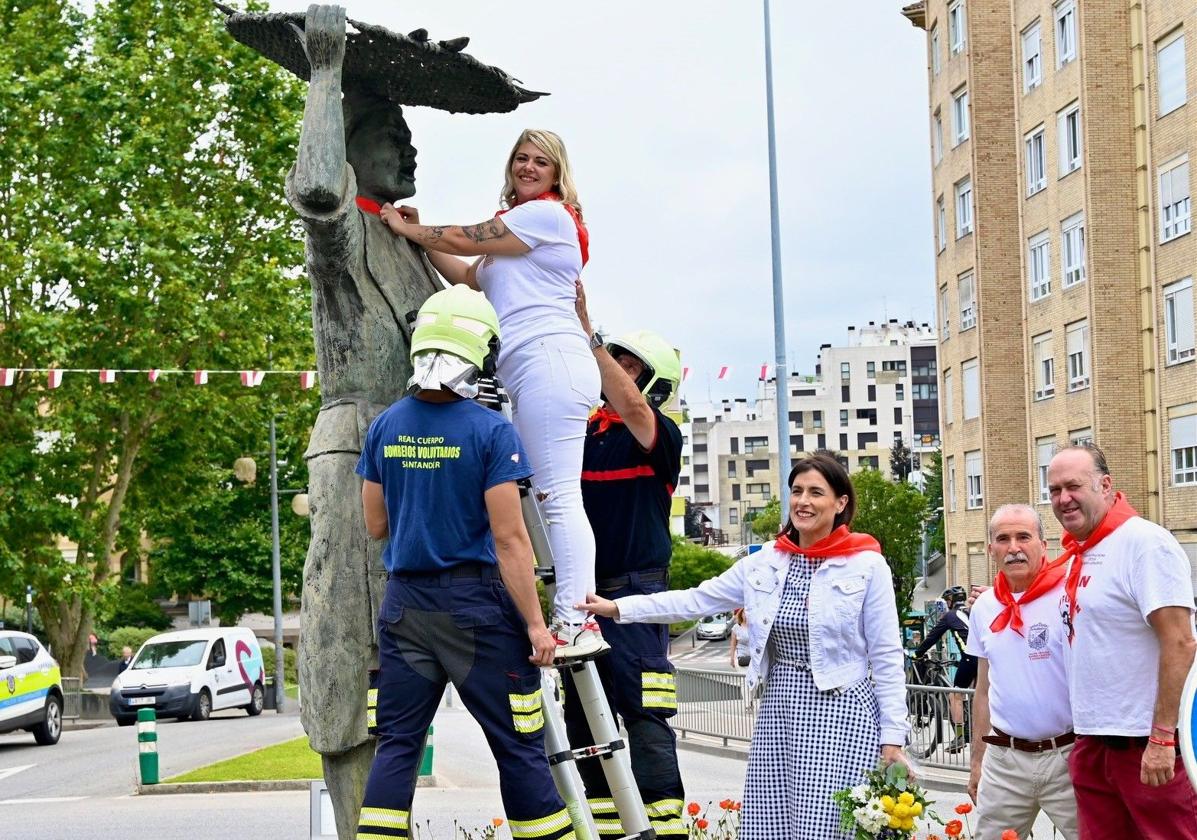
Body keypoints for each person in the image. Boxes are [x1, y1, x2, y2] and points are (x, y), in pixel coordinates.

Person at [580, 452, 911, 840]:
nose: (803, 501)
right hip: (780, 710)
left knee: (830, 825)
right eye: (797, 491)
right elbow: (696, 600)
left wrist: (893, 736)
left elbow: (887, 656)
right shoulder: (767, 561)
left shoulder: (866, 565)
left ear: (840, 503)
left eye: (816, 493)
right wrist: (618, 607)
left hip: (843, 712)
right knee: (773, 824)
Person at [354, 285, 572, 840]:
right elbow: (510, 540)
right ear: (481, 351)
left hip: (404, 607)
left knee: (398, 743)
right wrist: (536, 624)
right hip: (476, 608)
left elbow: (376, 525)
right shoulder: (491, 431)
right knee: (517, 745)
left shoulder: (384, 427)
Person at [378, 129, 604, 659]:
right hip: (528, 366)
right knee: (546, 494)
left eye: (540, 162)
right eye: (521, 159)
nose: (528, 167)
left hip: (549, 358)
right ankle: (570, 613)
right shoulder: (513, 238)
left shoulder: (546, 216)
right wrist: (418, 236)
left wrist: (402, 224)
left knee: (557, 495)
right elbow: (464, 271)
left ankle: (577, 619)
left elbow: (461, 239)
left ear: (557, 173)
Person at [560, 282, 685, 838]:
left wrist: (590, 335)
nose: (613, 370)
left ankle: (665, 827)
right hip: (583, 592)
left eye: (626, 365)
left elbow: (631, 406)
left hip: (638, 592)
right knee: (582, 719)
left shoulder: (657, 434)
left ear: (650, 382)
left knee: (645, 714)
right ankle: (610, 828)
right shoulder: (585, 434)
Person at [1046, 444, 1197, 838]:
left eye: (1073, 486)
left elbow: (1181, 642)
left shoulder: (1145, 544)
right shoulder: (1082, 552)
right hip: (1094, 744)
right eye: (1055, 490)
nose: (1064, 499)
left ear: (1106, 484)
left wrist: (1163, 737)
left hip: (1146, 746)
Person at [966, 505, 1076, 840]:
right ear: (990, 550)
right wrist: (977, 760)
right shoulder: (984, 608)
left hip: (1068, 756)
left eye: (1023, 537)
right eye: (1003, 539)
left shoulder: (1070, 595)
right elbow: (983, 689)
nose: (1014, 547)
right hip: (1005, 760)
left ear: (1044, 545)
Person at [913, 585, 976, 752]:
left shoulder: (950, 616)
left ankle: (961, 736)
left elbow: (932, 638)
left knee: (955, 694)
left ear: (950, 601)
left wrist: (918, 654)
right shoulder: (972, 612)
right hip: (985, 659)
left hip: (970, 658)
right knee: (979, 694)